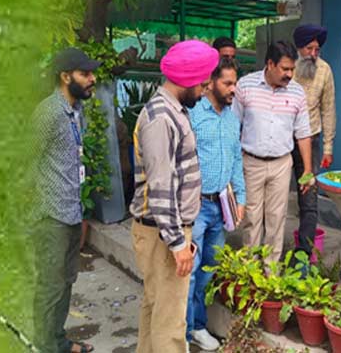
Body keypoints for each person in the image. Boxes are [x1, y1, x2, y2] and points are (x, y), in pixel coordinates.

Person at [129, 40, 219, 353]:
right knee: (170, 325)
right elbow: (161, 187)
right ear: (188, 79)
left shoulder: (172, 110)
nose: (207, 89)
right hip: (162, 234)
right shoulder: (160, 119)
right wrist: (178, 243)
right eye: (205, 83)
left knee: (157, 311)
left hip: (165, 231)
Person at [32, 48, 99, 353]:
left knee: (66, 282)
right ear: (65, 76)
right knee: (50, 287)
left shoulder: (74, 111)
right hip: (51, 217)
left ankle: (58, 341)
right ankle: (44, 346)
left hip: (72, 213)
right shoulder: (48, 113)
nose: (92, 79)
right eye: (85, 74)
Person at [233, 40, 315, 264]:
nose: (290, 74)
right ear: (270, 64)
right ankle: (249, 270)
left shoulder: (297, 93)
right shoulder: (245, 86)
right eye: (285, 69)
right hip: (251, 162)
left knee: (277, 219)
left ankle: (270, 273)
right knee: (251, 218)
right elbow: (233, 126)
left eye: (292, 69)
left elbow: (303, 133)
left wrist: (307, 169)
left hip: (281, 163)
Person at [185, 58, 246, 351]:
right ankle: (185, 333)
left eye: (235, 83)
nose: (234, 89)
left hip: (221, 206)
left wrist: (241, 199)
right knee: (190, 272)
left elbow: (236, 161)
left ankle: (196, 326)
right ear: (210, 83)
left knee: (209, 270)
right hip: (196, 206)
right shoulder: (193, 114)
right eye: (228, 83)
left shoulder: (232, 119)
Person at [291, 24, 336, 257]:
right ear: (299, 48)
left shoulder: (324, 70)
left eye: (317, 49)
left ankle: (303, 253)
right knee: (276, 198)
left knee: (309, 198)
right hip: (282, 141)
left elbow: (328, 109)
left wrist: (328, 147)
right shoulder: (287, 67)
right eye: (309, 48)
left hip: (312, 140)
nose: (313, 54)